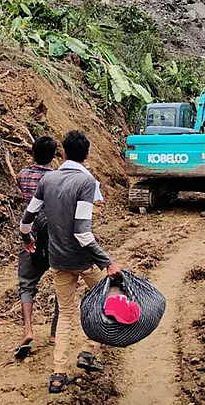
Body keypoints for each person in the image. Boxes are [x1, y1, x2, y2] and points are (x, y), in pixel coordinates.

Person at [19, 130, 122, 394]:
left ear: (63, 153)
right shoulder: (86, 183)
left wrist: (26, 239)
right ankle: (88, 351)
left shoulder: (49, 180)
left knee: (65, 314)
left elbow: (26, 219)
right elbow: (82, 232)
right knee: (103, 298)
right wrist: (107, 261)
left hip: (58, 260)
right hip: (84, 259)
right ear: (86, 155)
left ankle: (58, 374)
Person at [14, 136, 59, 360]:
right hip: (54, 238)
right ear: (53, 156)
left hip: (29, 235)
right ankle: (54, 333)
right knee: (63, 282)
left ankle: (28, 330)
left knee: (27, 284)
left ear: (32, 153)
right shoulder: (56, 178)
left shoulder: (22, 175)